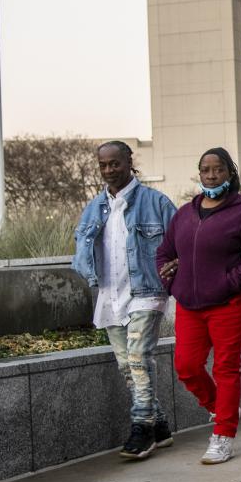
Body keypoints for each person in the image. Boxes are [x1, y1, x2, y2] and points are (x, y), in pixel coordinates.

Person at [156, 147, 241, 466]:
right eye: (205, 169)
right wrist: (171, 283)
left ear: (229, 174)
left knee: (225, 367)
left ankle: (223, 435)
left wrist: (229, 282)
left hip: (229, 304)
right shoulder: (185, 214)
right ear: (199, 174)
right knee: (186, 366)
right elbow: (163, 253)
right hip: (190, 305)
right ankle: (221, 406)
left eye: (218, 169)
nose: (211, 174)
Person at [72, 141, 178, 459]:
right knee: (126, 366)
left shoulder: (156, 202)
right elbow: (81, 250)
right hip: (110, 293)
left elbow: (181, 242)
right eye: (103, 165)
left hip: (148, 292)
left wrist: (174, 267)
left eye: (114, 163)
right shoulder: (94, 208)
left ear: (129, 162)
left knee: (138, 359)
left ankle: (142, 428)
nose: (109, 170)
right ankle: (159, 426)